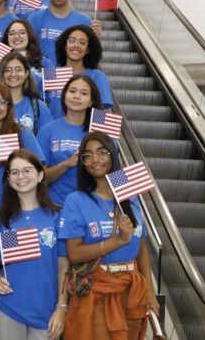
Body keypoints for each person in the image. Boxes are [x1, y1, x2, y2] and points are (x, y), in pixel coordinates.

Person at [61, 131, 159, 339]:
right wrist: (117, 241)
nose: (95, 160)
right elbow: (74, 254)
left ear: (113, 155)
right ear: (82, 162)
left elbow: (140, 247)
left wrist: (150, 292)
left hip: (133, 290)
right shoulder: (76, 200)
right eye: (87, 155)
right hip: (97, 290)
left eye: (102, 152)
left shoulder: (130, 195)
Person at [0, 149, 67, 340]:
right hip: (8, 307)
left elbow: (64, 266)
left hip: (46, 310)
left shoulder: (57, 215)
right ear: (9, 179)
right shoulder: (0, 217)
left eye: (27, 170)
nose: (20, 176)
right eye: (14, 172)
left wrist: (61, 308)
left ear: (40, 175)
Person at [0, 82, 46, 218]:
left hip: (21, 214)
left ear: (9, 106)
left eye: (1, 102)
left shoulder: (23, 134)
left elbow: (41, 172)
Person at [37, 75, 104, 206]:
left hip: (91, 207)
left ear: (91, 101)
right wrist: (66, 164)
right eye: (72, 91)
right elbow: (37, 178)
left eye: (84, 93)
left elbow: (115, 169)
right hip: (55, 206)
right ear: (64, 95)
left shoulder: (100, 131)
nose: (77, 96)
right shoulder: (48, 130)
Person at [27, 0, 101, 65]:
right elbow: (27, 52)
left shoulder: (84, 21)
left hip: (74, 77)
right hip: (44, 77)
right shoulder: (34, 18)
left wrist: (96, 39)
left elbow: (90, 57)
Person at [50, 24, 113, 118]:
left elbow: (103, 112)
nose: (76, 45)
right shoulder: (52, 74)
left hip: (84, 131)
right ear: (64, 46)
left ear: (87, 50)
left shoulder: (98, 76)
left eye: (82, 43)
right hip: (52, 131)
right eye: (71, 41)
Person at [0, 52, 53, 134]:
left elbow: (47, 139)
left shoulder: (38, 106)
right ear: (2, 74)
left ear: (26, 74)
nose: (13, 74)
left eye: (18, 69)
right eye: (8, 70)